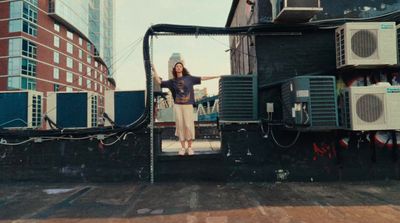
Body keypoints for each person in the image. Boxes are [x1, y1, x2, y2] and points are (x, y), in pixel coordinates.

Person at [152, 62, 220, 156]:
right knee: (180, 125)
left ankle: (190, 147)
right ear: (175, 69)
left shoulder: (189, 78)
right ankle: (183, 148)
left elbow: (203, 78)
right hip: (178, 105)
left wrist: (216, 76)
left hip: (188, 105)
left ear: (182, 68)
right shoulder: (172, 81)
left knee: (188, 125)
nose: (179, 67)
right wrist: (154, 68)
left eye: (180, 66)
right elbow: (159, 82)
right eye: (177, 66)